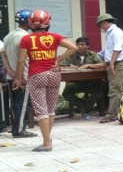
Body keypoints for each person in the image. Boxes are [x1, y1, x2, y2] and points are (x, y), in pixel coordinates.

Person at [13, 10, 77, 151]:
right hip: (54, 74)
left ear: (31, 24)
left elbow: (21, 60)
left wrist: (18, 78)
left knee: (41, 110)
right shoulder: (55, 36)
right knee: (50, 109)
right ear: (48, 23)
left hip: (37, 75)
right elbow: (73, 47)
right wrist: (58, 60)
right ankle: (48, 137)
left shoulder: (26, 39)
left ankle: (47, 143)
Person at [2, 9, 37, 138]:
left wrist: (11, 73)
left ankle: (16, 127)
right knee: (23, 104)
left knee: (16, 102)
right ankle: (19, 130)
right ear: (29, 22)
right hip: (23, 76)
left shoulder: (8, 36)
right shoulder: (25, 37)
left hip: (11, 76)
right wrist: (19, 76)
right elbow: (21, 60)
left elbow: (3, 56)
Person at [59, 36, 105, 119]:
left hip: (90, 82)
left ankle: (84, 107)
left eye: (83, 44)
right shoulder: (70, 54)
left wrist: (88, 65)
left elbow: (102, 64)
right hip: (75, 82)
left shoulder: (92, 54)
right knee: (66, 93)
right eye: (78, 44)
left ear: (87, 46)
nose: (80, 46)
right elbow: (60, 67)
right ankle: (84, 106)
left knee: (99, 91)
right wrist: (70, 67)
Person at [95, 13, 123, 123]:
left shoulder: (116, 32)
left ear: (104, 22)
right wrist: (106, 61)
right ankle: (114, 112)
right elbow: (108, 50)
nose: (101, 28)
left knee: (115, 89)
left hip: (119, 63)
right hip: (113, 62)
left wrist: (112, 63)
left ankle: (112, 115)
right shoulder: (110, 33)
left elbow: (117, 49)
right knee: (113, 88)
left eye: (101, 25)